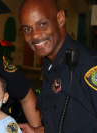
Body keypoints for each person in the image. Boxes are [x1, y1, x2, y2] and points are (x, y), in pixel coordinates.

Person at [19, 0, 97, 132]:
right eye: (27, 29)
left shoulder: (87, 65)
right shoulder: (51, 64)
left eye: (42, 24)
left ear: (60, 19)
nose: (35, 35)